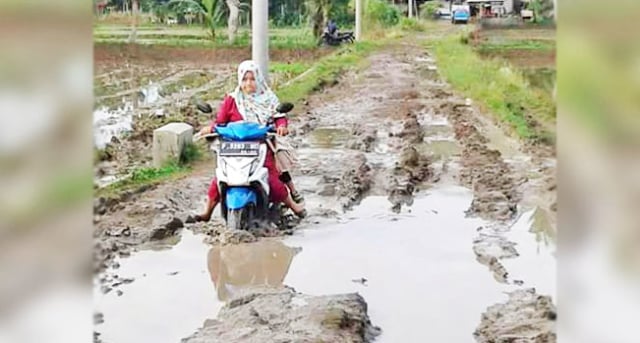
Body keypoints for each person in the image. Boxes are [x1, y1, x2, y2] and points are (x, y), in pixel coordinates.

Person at [194, 60, 306, 222]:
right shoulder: (232, 100)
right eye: (245, 79)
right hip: (233, 149)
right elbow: (219, 122)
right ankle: (207, 212)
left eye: (252, 79)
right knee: (220, 178)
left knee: (272, 179)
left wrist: (281, 127)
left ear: (258, 80)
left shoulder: (268, 99)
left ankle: (293, 206)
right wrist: (211, 128)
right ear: (240, 80)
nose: (248, 83)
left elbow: (279, 117)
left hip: (260, 146)